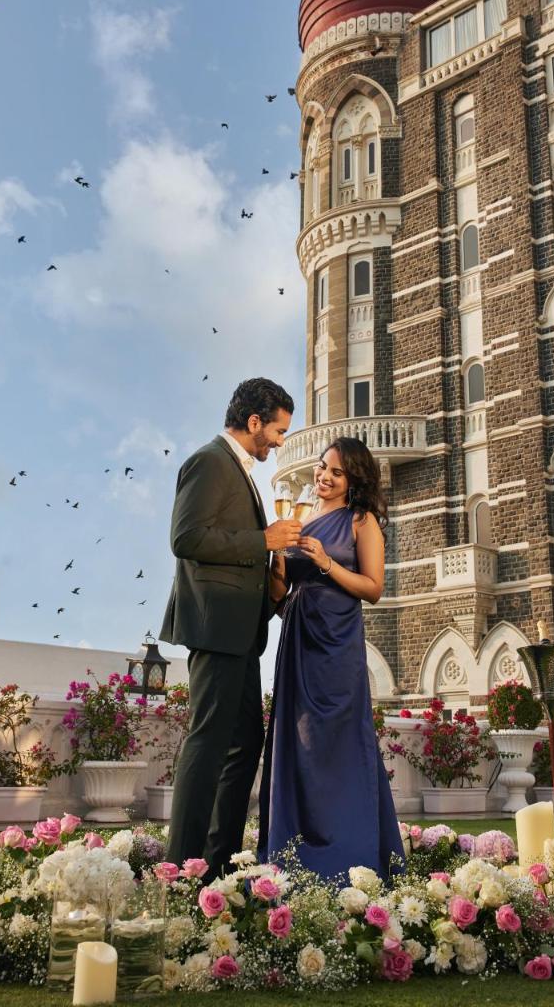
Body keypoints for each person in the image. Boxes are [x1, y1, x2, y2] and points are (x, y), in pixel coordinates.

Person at [159, 377, 301, 874]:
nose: (281, 442)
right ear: (254, 422)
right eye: (279, 431)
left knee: (246, 742)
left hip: (242, 632)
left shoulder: (240, 471)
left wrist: (272, 574)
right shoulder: (209, 462)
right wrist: (262, 540)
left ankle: (216, 864)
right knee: (208, 741)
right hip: (216, 628)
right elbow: (187, 537)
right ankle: (181, 868)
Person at [258, 436, 405, 880]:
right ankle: (292, 851)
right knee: (297, 744)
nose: (324, 476)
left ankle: (349, 853)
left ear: (353, 479)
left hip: (337, 647)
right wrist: (277, 568)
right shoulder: (300, 520)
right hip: (299, 638)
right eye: (323, 467)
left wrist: (324, 562)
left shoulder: (362, 522)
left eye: (336, 472)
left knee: (336, 744)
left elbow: (373, 589)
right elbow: (281, 598)